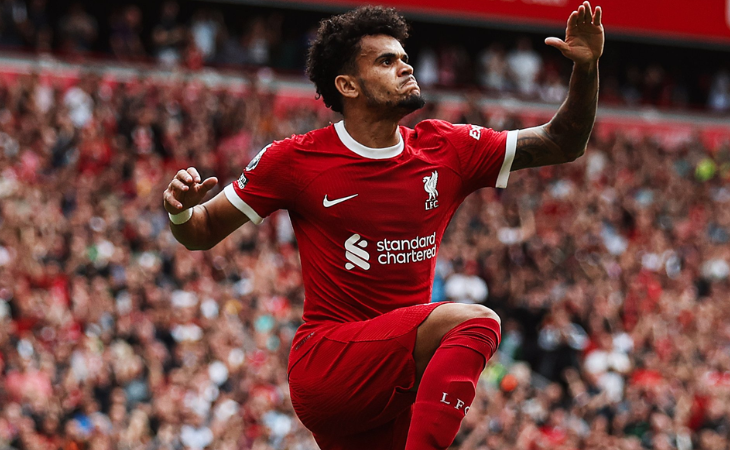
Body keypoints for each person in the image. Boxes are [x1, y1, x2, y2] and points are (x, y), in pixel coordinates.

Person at [162, 3, 604, 449]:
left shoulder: (446, 149)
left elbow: (563, 141)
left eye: (404, 56)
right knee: (476, 323)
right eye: (386, 60)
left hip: (394, 388)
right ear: (347, 85)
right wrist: (181, 211)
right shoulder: (295, 160)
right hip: (330, 365)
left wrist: (586, 69)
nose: (404, 65)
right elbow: (200, 232)